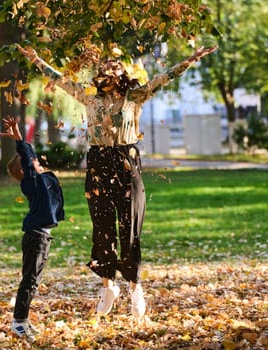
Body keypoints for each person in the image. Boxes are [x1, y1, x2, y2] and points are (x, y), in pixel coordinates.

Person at [17, 43, 217, 318]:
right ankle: (108, 286)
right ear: (99, 74)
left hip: (127, 160)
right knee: (102, 226)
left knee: (130, 226)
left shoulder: (135, 97)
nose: (110, 69)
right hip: (99, 162)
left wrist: (192, 59)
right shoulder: (89, 99)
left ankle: (135, 287)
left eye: (116, 66)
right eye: (105, 66)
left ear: (122, 73)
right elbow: (60, 80)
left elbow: (164, 77)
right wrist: (37, 58)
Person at [0, 116, 65, 340]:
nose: (38, 162)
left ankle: (23, 321)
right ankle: (18, 323)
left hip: (42, 238)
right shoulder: (32, 184)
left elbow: (31, 158)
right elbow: (28, 160)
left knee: (33, 282)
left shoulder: (41, 181)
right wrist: (19, 139)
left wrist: (26, 146)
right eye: (33, 163)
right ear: (25, 173)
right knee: (29, 281)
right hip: (36, 238)